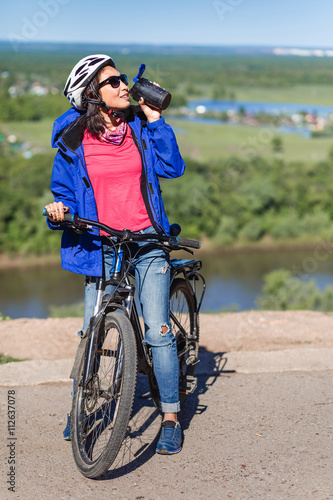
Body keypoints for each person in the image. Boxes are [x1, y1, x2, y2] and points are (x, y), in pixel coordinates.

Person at [45, 54, 186, 455]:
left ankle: (171, 416)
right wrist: (59, 210)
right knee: (92, 329)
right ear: (92, 94)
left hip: (146, 241)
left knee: (157, 331)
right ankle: (81, 407)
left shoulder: (141, 128)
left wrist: (157, 120)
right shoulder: (74, 141)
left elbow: (173, 168)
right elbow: (65, 194)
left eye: (123, 79)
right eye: (114, 82)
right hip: (102, 244)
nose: (125, 85)